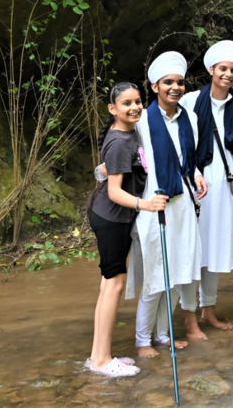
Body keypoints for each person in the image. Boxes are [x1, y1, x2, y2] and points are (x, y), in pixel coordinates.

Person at [126, 52, 208, 355]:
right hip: (154, 204)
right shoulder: (142, 119)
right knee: (156, 276)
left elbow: (190, 159)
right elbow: (125, 157)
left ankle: (163, 335)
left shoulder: (192, 118)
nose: (175, 87)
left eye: (179, 82)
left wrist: (199, 175)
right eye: (167, 82)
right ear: (154, 86)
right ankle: (142, 340)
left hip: (185, 205)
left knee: (178, 275)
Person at [86, 83, 166, 378]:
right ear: (112, 109)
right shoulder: (120, 141)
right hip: (112, 218)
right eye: (126, 103)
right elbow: (115, 191)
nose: (134, 107)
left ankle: (98, 355)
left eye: (138, 101)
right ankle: (103, 362)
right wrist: (147, 205)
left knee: (109, 285)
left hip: (113, 217)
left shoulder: (131, 133)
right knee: (114, 284)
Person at [180, 40, 233, 331]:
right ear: (211, 70)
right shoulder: (189, 101)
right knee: (194, 249)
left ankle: (208, 311)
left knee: (215, 249)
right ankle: (189, 318)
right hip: (196, 184)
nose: (228, 74)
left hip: (228, 187)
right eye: (223, 68)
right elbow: (181, 142)